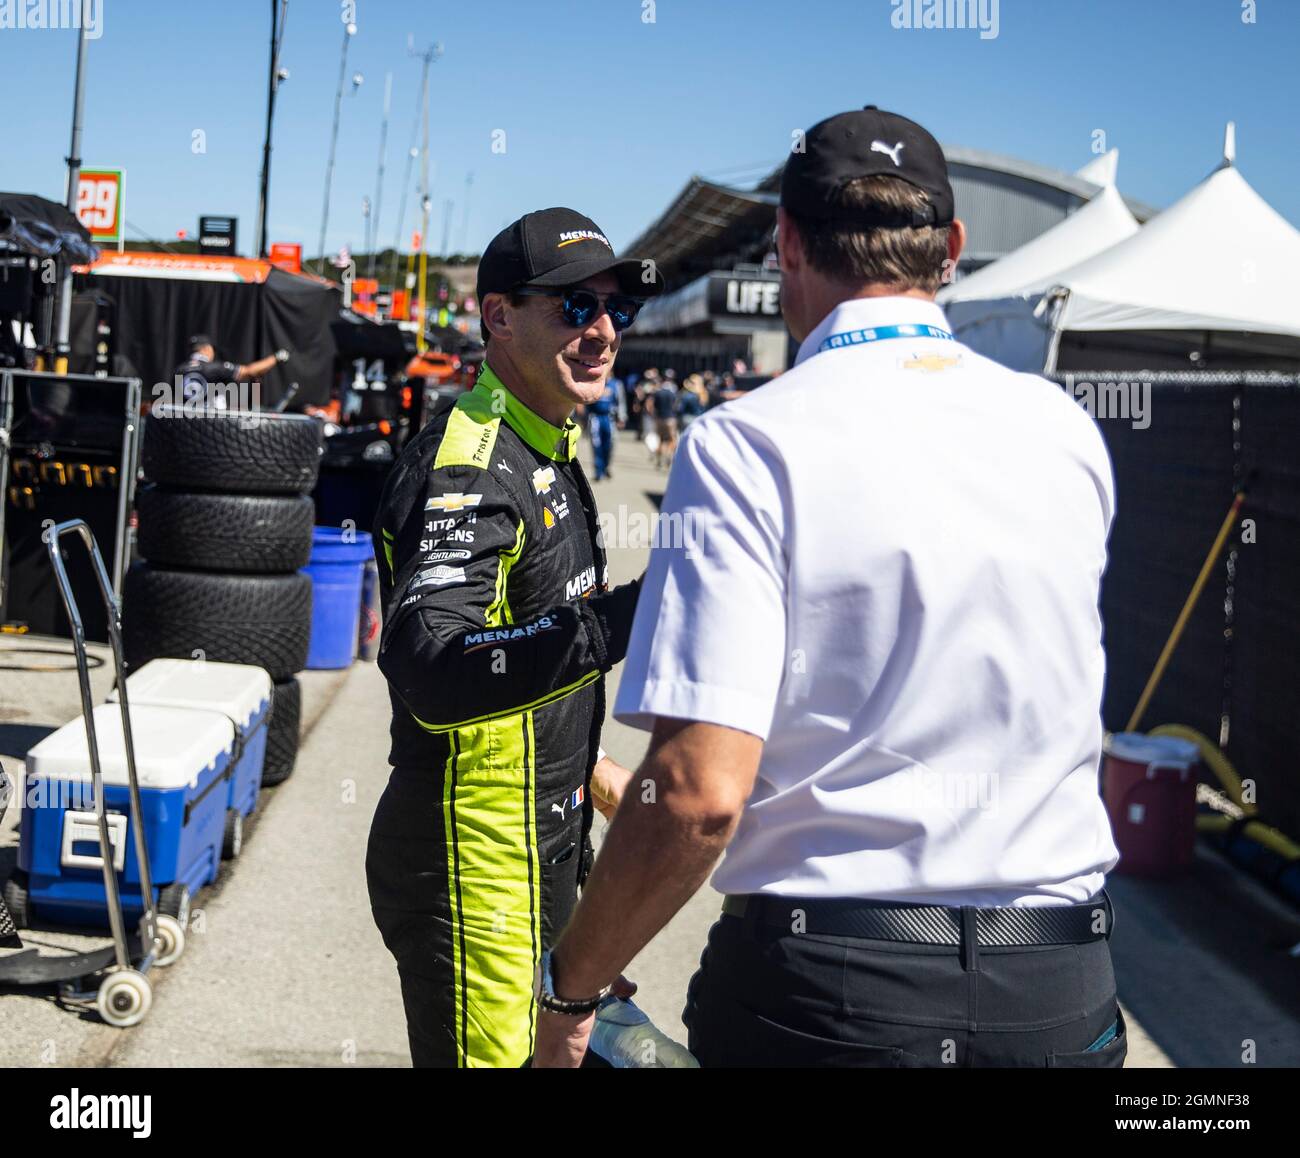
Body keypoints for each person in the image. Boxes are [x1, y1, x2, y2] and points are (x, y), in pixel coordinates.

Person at [533, 106, 1123, 1069]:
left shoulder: (748, 444)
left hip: (835, 996)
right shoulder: (1065, 433)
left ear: (787, 245)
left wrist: (572, 987)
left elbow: (697, 795)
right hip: (1061, 988)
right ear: (953, 249)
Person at [366, 206, 663, 1068]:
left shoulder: (548, 439)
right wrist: (626, 619)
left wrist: (595, 778)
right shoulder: (472, 463)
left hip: (543, 852)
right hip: (472, 869)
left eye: (619, 309)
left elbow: (528, 644)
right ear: (498, 317)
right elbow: (432, 665)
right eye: (575, 307)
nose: (604, 331)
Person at [172, 333, 288, 408]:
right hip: (212, 425)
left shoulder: (179, 370)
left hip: (187, 427)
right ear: (207, 349)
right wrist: (276, 357)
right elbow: (250, 371)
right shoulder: (215, 368)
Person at [585, 373, 625, 480]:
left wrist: (621, 417)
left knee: (610, 444)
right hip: (596, 418)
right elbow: (587, 402)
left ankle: (606, 466)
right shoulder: (593, 383)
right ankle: (598, 471)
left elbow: (620, 401)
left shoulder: (616, 384)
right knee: (596, 445)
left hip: (609, 418)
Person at [650, 369, 680, 469]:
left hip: (659, 419)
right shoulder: (673, 393)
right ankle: (668, 457)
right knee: (672, 440)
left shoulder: (657, 393)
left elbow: (653, 406)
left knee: (661, 440)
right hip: (670, 419)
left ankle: (659, 460)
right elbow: (676, 406)